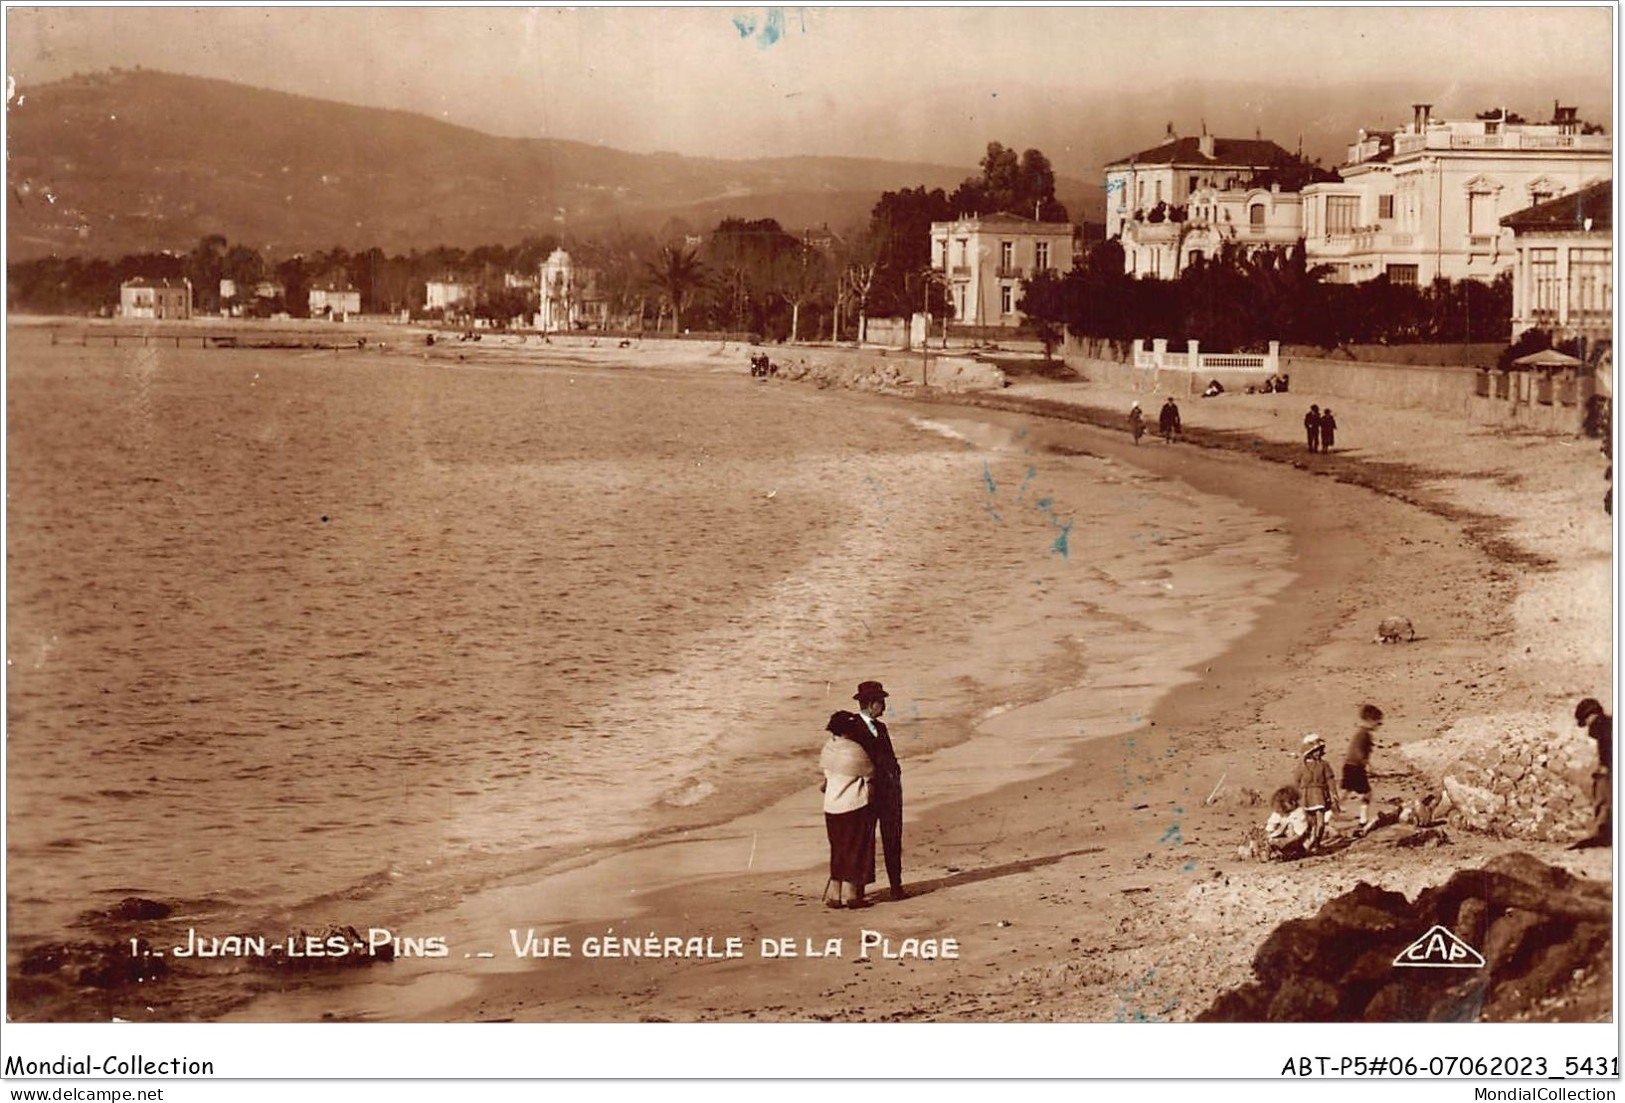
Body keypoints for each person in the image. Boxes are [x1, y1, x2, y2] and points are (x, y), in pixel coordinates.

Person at [819, 710, 877, 908]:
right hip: (854, 805)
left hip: (831, 806)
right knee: (856, 849)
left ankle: (835, 895)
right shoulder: (855, 750)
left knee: (838, 849)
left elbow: (826, 779)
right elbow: (870, 775)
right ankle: (852, 895)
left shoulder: (828, 747)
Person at [854, 680, 906, 900]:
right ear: (872, 704)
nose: (884, 706)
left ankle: (896, 886)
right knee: (864, 841)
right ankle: (859, 890)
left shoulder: (880, 727)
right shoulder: (853, 728)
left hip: (889, 790)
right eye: (881, 702)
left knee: (892, 838)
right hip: (867, 790)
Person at [1573, 697, 1612, 848]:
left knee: (1604, 800)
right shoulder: (1611, 722)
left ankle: (1602, 834)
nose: (1587, 725)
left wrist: (1604, 766)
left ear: (1590, 715)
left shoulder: (1600, 725)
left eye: (1585, 720)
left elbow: (1606, 745)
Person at [1340, 704, 1383, 837]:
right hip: (1357, 767)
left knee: (1346, 792)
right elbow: (1360, 752)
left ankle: (1328, 814)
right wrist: (1367, 765)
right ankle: (1363, 820)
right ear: (1370, 721)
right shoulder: (1364, 735)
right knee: (1366, 793)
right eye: (1378, 722)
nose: (1379, 725)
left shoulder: (1360, 733)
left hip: (1349, 765)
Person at [1296, 734, 1339, 850]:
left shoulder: (1324, 765)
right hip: (1305, 797)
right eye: (1315, 751)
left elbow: (1330, 780)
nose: (1318, 753)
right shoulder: (1301, 767)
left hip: (1320, 796)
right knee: (1308, 825)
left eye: (1319, 750)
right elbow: (1296, 783)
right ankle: (1306, 844)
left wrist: (1334, 794)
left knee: (1320, 823)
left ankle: (1317, 843)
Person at [1263, 786, 1311, 860]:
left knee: (1290, 827)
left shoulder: (1299, 813)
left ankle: (1292, 852)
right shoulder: (1280, 811)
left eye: (1284, 804)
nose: (1282, 807)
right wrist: (1270, 836)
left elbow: (1300, 833)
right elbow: (1270, 826)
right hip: (1281, 837)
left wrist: (1286, 841)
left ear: (1293, 802)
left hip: (1296, 840)